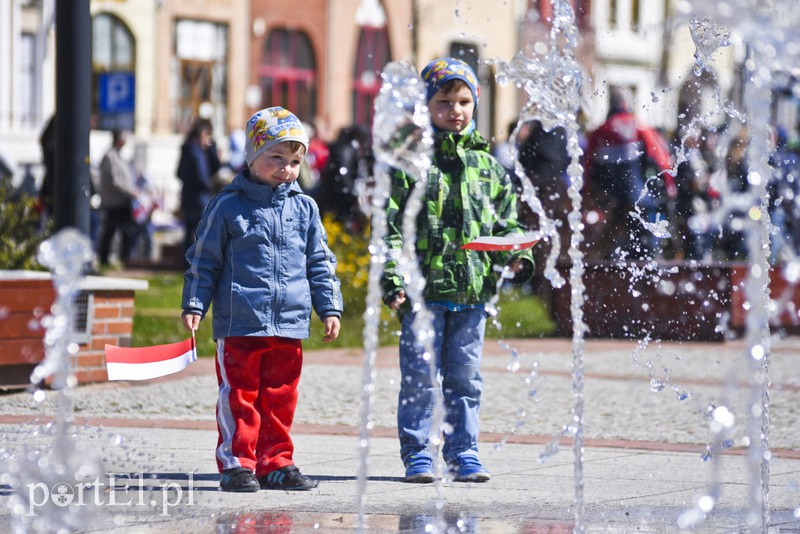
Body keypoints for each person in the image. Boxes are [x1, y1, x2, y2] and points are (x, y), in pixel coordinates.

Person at [381, 58, 534, 484]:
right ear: (426, 105)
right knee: (420, 377)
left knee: (465, 378)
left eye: (464, 102)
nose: (456, 111)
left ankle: (464, 451)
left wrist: (517, 255)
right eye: (444, 102)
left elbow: (505, 223)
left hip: (472, 293)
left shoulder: (488, 165)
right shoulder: (411, 160)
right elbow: (390, 226)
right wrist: (392, 278)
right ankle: (418, 453)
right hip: (422, 293)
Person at [181, 106, 343, 493]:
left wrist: (329, 306)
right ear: (252, 156)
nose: (287, 169)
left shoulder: (304, 208)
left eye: (295, 162)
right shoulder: (228, 205)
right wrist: (195, 303)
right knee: (240, 396)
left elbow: (320, 261)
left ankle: (276, 461)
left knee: (280, 396)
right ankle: (238, 462)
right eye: (277, 158)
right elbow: (204, 259)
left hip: (288, 322)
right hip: (241, 321)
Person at [584, 86, 674, 259]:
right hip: (636, 198)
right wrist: (669, 185)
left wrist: (586, 194)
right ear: (626, 103)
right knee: (645, 245)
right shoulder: (638, 126)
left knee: (608, 246)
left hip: (608, 200)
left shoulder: (600, 130)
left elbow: (587, 165)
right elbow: (660, 157)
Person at [177, 117, 221, 257]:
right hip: (199, 197)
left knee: (189, 230)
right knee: (201, 230)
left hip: (188, 196)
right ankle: (196, 260)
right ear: (203, 133)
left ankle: (187, 260)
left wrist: (211, 148)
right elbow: (203, 175)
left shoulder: (190, 148)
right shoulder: (196, 152)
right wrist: (209, 186)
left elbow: (179, 172)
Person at [97, 129, 138, 266]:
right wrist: (130, 191)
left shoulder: (119, 156)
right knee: (110, 230)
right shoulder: (110, 157)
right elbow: (114, 181)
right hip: (114, 202)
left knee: (127, 231)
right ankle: (103, 259)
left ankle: (125, 258)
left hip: (123, 202)